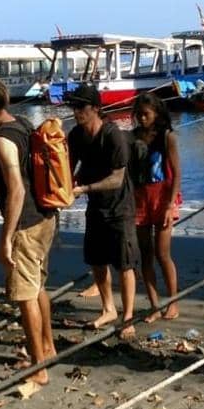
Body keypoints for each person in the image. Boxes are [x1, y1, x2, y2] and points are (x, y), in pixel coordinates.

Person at [0, 77, 58, 385]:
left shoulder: (2, 139)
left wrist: (6, 238)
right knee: (38, 286)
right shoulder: (21, 124)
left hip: (26, 225)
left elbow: (17, 189)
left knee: (24, 295)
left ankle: (38, 369)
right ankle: (47, 348)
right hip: (46, 217)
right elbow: (20, 175)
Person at [65, 84, 140, 339]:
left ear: (96, 108)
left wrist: (84, 188)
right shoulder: (75, 136)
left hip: (120, 206)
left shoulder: (113, 135)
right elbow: (67, 168)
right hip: (95, 205)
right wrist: (64, 188)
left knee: (124, 263)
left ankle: (128, 316)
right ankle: (108, 309)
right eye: (73, 107)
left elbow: (117, 178)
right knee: (96, 260)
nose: (76, 112)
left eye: (81, 107)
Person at [130, 93, 181, 320]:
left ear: (156, 114)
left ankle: (173, 302)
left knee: (163, 254)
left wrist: (170, 205)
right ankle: (154, 305)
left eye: (146, 114)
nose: (142, 118)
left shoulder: (166, 136)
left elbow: (177, 172)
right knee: (145, 255)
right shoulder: (132, 138)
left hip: (162, 196)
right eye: (139, 114)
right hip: (139, 197)